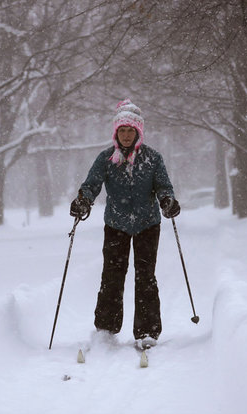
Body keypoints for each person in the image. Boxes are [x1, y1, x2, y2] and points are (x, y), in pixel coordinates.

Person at [69, 98, 181, 350]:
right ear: (116, 132)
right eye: (123, 130)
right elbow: (91, 185)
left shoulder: (152, 158)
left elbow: (164, 187)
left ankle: (147, 332)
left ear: (138, 132)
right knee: (112, 276)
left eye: (131, 130)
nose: (127, 135)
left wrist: (167, 201)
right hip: (116, 224)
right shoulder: (106, 158)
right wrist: (82, 201)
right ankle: (106, 330)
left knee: (145, 277)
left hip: (147, 224)